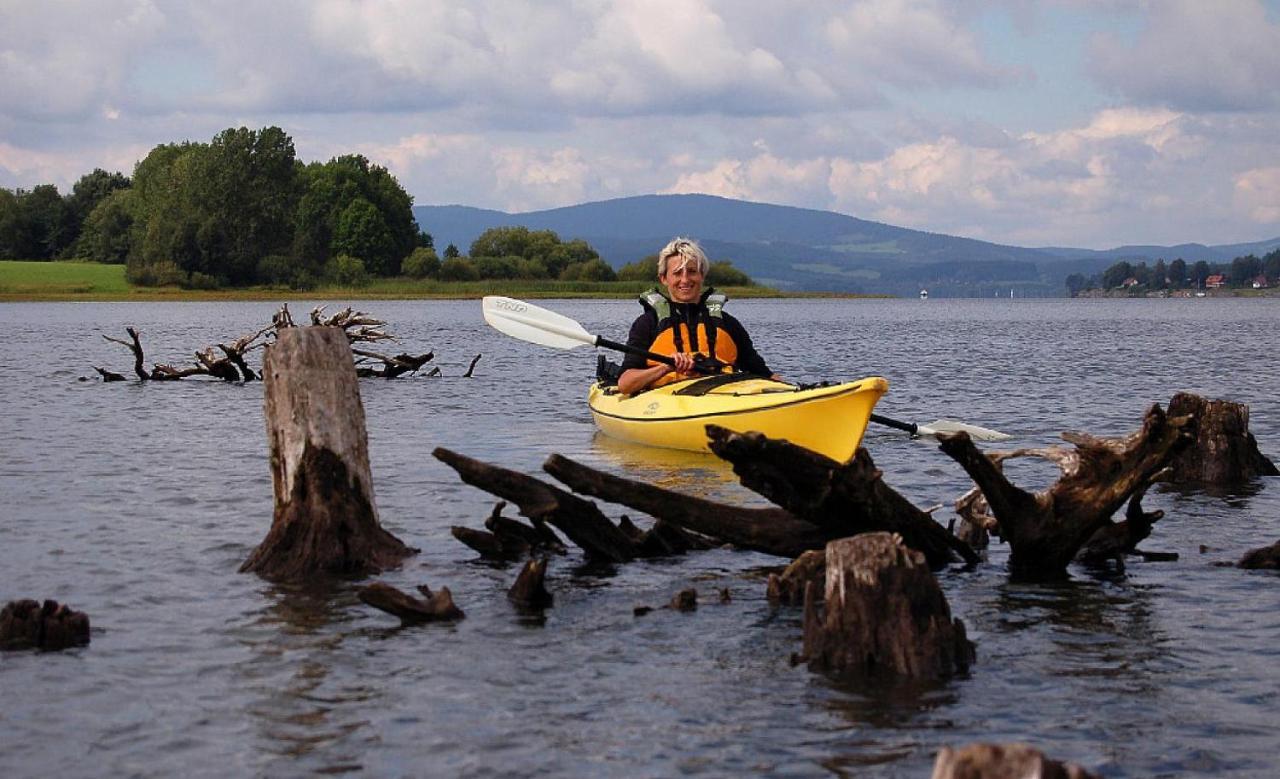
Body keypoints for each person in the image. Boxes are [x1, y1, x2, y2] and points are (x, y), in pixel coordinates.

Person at [616, 237, 778, 394]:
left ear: (702, 275)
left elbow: (765, 375)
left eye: (692, 272)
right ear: (664, 278)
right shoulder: (648, 324)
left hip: (721, 397)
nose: (685, 280)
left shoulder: (728, 324)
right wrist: (666, 367)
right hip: (668, 401)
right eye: (677, 273)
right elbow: (625, 384)